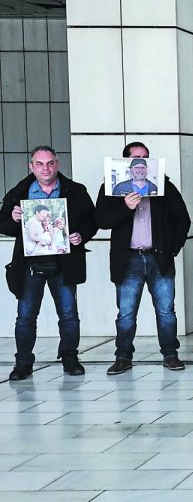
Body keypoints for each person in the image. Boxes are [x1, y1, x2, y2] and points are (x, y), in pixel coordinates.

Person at [1, 145, 97, 380]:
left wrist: (81, 235)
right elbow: (4, 225)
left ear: (57, 164)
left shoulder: (75, 190)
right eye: (40, 164)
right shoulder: (19, 192)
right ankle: (23, 363)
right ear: (31, 166)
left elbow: (92, 220)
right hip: (29, 264)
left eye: (50, 163)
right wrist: (12, 219)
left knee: (68, 314)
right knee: (25, 316)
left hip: (64, 262)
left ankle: (70, 358)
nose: (46, 168)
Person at [95, 141, 191, 375]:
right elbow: (101, 221)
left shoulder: (163, 187)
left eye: (145, 159)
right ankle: (123, 357)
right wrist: (125, 208)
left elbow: (182, 220)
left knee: (166, 311)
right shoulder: (113, 188)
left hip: (159, 258)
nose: (141, 164)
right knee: (126, 314)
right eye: (136, 159)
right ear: (127, 164)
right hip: (128, 259)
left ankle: (170, 354)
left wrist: (172, 249)